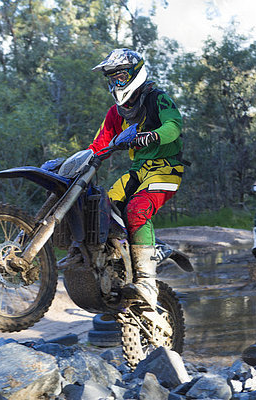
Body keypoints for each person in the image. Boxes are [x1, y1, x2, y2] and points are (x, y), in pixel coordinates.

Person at [87, 48, 185, 309]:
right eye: (112, 79)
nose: (115, 84)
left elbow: (174, 125)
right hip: (138, 170)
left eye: (120, 77)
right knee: (101, 206)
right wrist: (78, 162)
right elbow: (98, 145)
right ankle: (111, 264)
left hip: (166, 169)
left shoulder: (157, 99)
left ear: (134, 74)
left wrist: (153, 136)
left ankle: (146, 280)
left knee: (137, 209)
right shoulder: (115, 113)